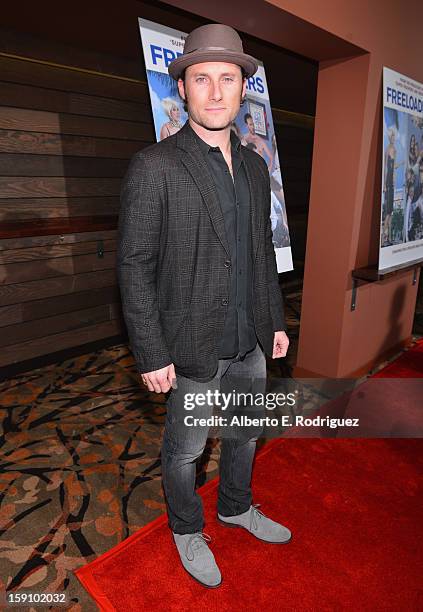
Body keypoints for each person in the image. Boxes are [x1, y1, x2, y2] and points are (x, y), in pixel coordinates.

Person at [117, 23, 291, 589]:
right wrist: (150, 352)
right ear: (184, 90)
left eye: (228, 79)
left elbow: (261, 253)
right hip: (189, 347)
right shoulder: (156, 166)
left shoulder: (257, 167)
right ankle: (187, 528)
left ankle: (236, 507)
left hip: (249, 341)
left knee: (244, 434)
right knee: (186, 449)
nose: (216, 92)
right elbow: (134, 267)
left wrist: (276, 323)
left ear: (243, 90)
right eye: (202, 79)